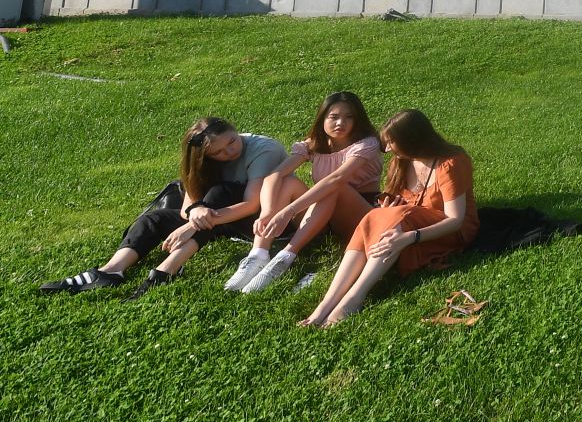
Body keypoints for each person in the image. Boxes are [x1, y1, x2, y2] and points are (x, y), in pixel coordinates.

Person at [39, 117, 287, 298]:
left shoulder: (263, 149)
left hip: (256, 219)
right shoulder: (203, 160)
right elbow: (189, 202)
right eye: (219, 153)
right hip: (219, 214)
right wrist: (193, 213)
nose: (230, 152)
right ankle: (110, 272)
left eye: (232, 142)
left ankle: (165, 270)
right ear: (206, 156)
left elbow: (253, 203)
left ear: (236, 130)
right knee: (155, 218)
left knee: (221, 192)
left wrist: (191, 225)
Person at [301, 110, 477, 328]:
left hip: (446, 232)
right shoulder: (401, 162)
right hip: (405, 223)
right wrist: (388, 205)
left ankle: (353, 298)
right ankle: (324, 306)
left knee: (396, 216)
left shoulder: (451, 163)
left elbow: (455, 219)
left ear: (412, 140)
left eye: (393, 142)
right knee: (375, 215)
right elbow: (395, 199)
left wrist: (409, 238)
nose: (387, 149)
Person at [224, 92, 383, 295]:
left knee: (334, 186)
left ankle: (285, 257)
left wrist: (289, 211)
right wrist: (269, 212)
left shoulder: (366, 144)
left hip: (358, 214)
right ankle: (258, 254)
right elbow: (274, 176)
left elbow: (336, 180)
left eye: (349, 117)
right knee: (287, 181)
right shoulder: (314, 144)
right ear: (322, 118)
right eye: (333, 117)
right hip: (322, 213)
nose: (341, 123)